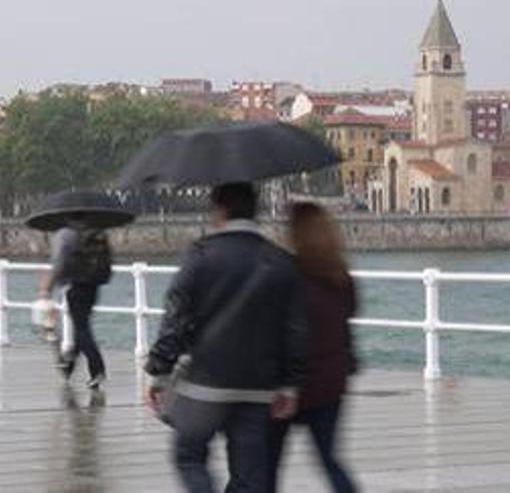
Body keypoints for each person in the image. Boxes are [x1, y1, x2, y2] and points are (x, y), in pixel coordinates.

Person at [143, 182, 308, 493]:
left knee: (189, 456)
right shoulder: (281, 261)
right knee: (249, 477)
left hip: (206, 384)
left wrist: (159, 371)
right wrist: (290, 383)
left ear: (219, 209)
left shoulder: (200, 255)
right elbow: (296, 328)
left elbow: (175, 318)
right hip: (259, 387)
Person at [267, 202, 359, 493]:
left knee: (268, 463)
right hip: (331, 381)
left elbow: (280, 328)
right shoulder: (341, 276)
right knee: (329, 460)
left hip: (290, 382)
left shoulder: (286, 275)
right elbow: (348, 315)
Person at [39, 217, 113, 389]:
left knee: (81, 328)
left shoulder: (64, 234)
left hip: (75, 285)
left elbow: (59, 263)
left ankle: (97, 369)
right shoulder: (95, 231)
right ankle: (69, 364)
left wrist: (47, 288)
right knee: (81, 325)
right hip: (93, 285)